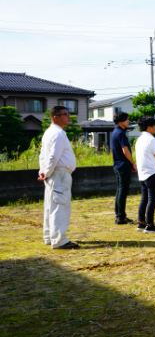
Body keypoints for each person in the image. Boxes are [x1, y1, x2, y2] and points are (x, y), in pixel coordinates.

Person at [38, 106, 79, 249]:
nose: (69, 117)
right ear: (56, 117)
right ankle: (59, 240)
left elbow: (43, 155)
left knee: (51, 207)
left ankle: (50, 237)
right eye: (65, 114)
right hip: (59, 174)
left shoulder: (48, 133)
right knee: (60, 207)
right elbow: (53, 156)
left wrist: (43, 171)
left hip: (53, 174)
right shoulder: (59, 133)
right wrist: (46, 172)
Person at [135, 117, 155, 233]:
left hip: (142, 173)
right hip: (152, 172)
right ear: (149, 127)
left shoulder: (139, 139)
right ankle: (150, 224)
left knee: (144, 198)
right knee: (152, 199)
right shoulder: (151, 140)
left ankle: (141, 223)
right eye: (154, 125)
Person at [111, 111, 136, 225]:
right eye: (126, 119)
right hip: (123, 165)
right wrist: (133, 163)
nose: (128, 121)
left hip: (118, 165)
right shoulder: (120, 133)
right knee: (122, 191)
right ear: (121, 121)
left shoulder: (115, 132)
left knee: (119, 191)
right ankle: (121, 217)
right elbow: (125, 150)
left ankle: (120, 215)